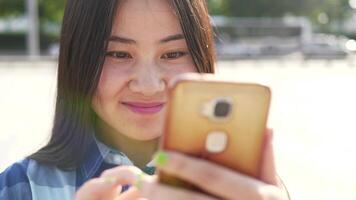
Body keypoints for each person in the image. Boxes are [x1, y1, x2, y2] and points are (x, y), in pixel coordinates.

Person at [0, 0, 290, 199]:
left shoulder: (247, 189)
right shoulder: (20, 188)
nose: (149, 86)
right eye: (118, 54)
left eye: (173, 54)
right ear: (79, 60)